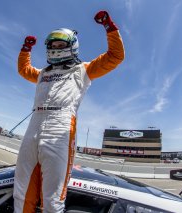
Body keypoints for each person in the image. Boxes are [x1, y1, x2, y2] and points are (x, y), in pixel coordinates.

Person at [13, 10, 125, 212]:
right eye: (52, 45)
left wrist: (109, 27)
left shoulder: (83, 69)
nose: (55, 48)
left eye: (60, 45)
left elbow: (115, 56)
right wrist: (25, 49)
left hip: (61, 126)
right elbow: (24, 69)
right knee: (21, 190)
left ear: (71, 46)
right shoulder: (42, 74)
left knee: (53, 197)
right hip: (34, 124)